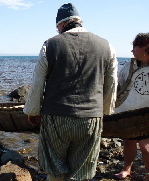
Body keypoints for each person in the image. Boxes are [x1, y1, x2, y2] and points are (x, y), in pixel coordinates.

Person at [23, 3, 118, 181]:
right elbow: (111, 84)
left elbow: (37, 83)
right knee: (81, 170)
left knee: (55, 169)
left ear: (60, 24)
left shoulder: (50, 45)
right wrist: (104, 111)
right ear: (79, 21)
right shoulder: (107, 46)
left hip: (56, 117)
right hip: (90, 118)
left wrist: (33, 111)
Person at [114, 33, 149, 180]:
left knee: (145, 145)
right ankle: (127, 169)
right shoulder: (130, 65)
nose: (132, 51)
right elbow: (118, 84)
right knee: (129, 141)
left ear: (146, 48)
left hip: (147, 113)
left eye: (135, 47)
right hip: (131, 111)